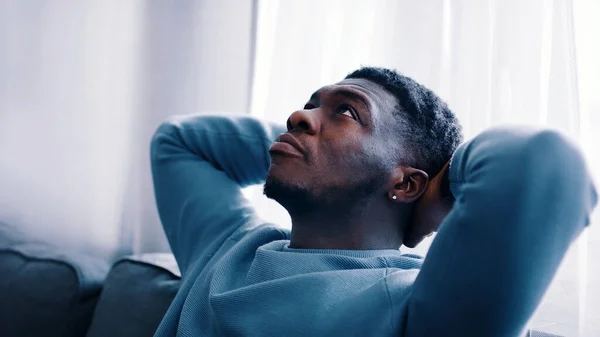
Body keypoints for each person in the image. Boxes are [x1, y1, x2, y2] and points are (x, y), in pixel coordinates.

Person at [150, 67, 597, 337]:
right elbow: (180, 140)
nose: (297, 116)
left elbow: (544, 162)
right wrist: (294, 147)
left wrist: (440, 190)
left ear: (405, 185)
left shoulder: (419, 308)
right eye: (309, 105)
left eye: (346, 111)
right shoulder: (228, 247)